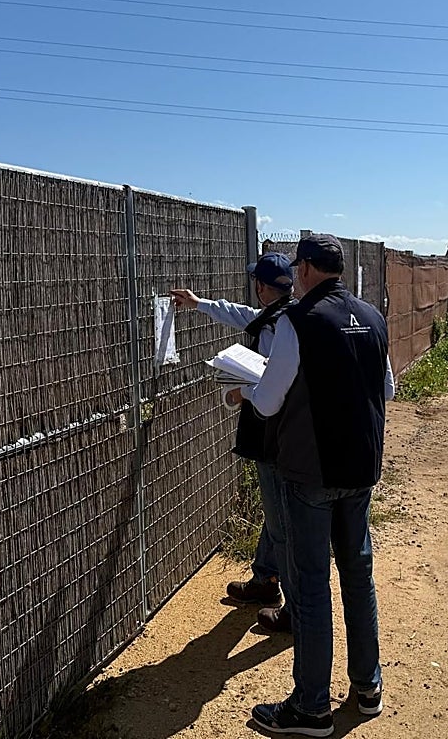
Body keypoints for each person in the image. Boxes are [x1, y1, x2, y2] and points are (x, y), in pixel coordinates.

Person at [231, 234, 395, 737]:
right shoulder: (372, 316)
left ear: (303, 270)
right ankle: (368, 688)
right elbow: (386, 387)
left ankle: (311, 707)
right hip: (361, 467)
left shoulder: (298, 321)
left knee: (309, 583)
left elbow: (269, 401)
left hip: (313, 470)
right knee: (357, 574)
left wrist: (243, 392)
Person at [170, 252, 297, 633]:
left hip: (272, 430)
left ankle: (294, 608)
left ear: (263, 286)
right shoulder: (278, 316)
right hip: (277, 430)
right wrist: (199, 304)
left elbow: (278, 384)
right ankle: (265, 581)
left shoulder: (280, 326)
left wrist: (241, 390)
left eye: (256, 282)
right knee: (275, 512)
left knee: (281, 520)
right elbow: (240, 314)